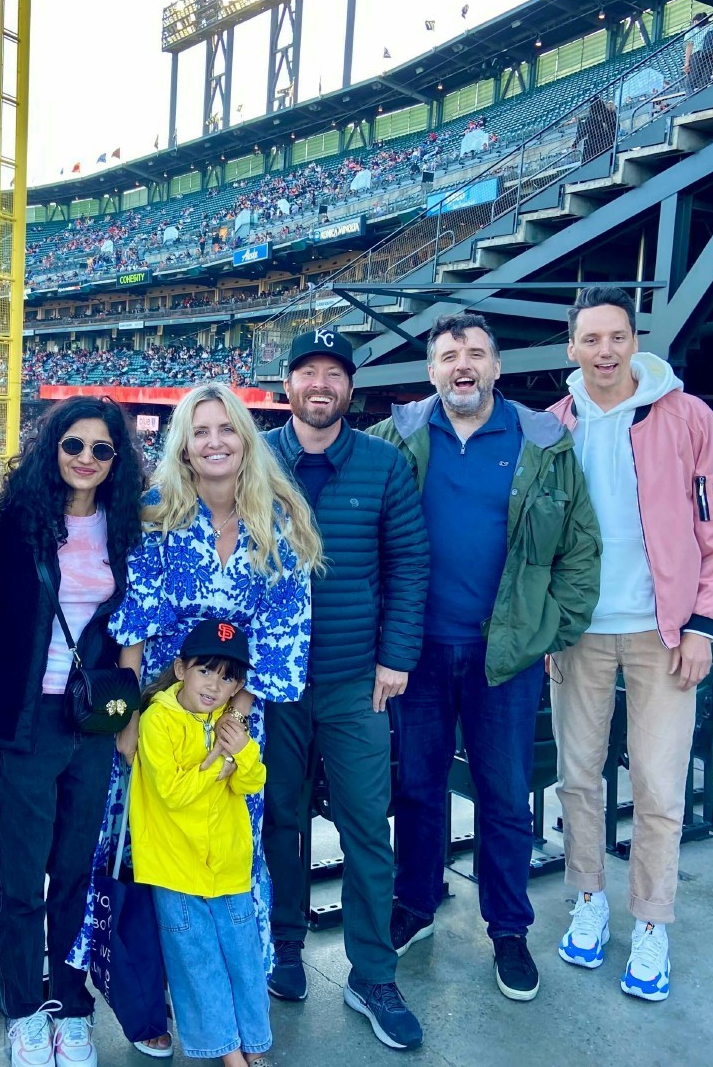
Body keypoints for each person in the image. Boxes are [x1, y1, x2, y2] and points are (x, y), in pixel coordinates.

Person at [70, 383, 318, 1053]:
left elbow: (284, 632)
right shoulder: (158, 515)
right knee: (155, 865)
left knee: (225, 867)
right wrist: (126, 720)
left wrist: (228, 716)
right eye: (199, 429)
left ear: (245, 439)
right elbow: (133, 624)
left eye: (226, 429)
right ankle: (159, 1004)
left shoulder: (281, 520)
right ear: (182, 443)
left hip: (239, 716)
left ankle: (229, 1013)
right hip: (159, 714)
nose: (213, 441)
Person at [371, 313, 600, 1004]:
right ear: (432, 371)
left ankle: (507, 929)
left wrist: (548, 631)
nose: (462, 364)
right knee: (418, 786)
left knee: (504, 796)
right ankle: (414, 902)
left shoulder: (543, 441)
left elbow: (580, 550)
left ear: (497, 367)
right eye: (448, 355)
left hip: (505, 655)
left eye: (475, 353)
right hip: (419, 650)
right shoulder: (398, 438)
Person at [548, 286, 713, 1002]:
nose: (604, 351)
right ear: (572, 348)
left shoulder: (687, 416)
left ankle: (653, 921)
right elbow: (536, 540)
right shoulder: (553, 426)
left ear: (635, 342)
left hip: (664, 633)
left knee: (659, 786)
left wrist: (702, 624)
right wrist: (546, 623)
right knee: (578, 777)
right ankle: (589, 898)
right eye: (591, 339)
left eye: (616, 337)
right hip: (579, 633)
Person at [261, 329, 429, 1050]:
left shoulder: (384, 464)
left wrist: (395, 658)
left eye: (334, 373)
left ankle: (371, 970)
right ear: (289, 384)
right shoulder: (255, 454)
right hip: (270, 680)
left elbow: (410, 565)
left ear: (350, 389)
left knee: (366, 827)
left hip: (356, 680)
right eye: (308, 372)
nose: (320, 384)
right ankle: (286, 948)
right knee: (280, 821)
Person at [0, 396, 146, 1067]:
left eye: (101, 450)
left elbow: (133, 623)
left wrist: (128, 714)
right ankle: (24, 1011)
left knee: (75, 874)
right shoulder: (14, 521)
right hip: (20, 721)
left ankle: (71, 1008)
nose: (84, 458)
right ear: (53, 448)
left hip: (92, 722)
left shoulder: (126, 524)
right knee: (20, 882)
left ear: (116, 460)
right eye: (72, 445)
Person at [134, 620, 271, 1067]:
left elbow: (252, 781)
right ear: (180, 669)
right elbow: (171, 793)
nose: (215, 685)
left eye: (228, 677)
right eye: (205, 671)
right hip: (178, 872)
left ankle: (254, 1047)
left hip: (229, 867)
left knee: (245, 964)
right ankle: (231, 1057)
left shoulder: (228, 721)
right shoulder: (158, 719)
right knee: (200, 968)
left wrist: (243, 751)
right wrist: (218, 762)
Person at [684, 12, 713, 90]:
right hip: (711, 56)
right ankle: (700, 98)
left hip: (697, 55)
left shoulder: (692, 29)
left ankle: (691, 100)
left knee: (689, 83)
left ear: (695, 21)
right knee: (704, 82)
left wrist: (687, 62)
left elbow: (689, 46)